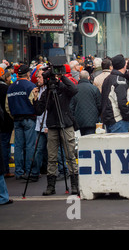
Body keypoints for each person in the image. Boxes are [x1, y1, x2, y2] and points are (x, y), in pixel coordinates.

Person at [33, 66, 79, 195]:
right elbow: (39, 111)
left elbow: (75, 89)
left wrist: (61, 76)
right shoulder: (46, 92)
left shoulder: (64, 88)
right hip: (52, 126)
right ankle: (50, 186)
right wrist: (35, 99)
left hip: (66, 124)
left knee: (70, 155)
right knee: (52, 157)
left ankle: (75, 185)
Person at [5, 64, 39, 181]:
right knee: (30, 146)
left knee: (18, 146)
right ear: (28, 74)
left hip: (16, 119)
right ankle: (29, 171)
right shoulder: (31, 86)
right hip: (29, 118)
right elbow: (34, 102)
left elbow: (7, 106)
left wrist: (13, 115)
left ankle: (19, 172)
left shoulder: (10, 87)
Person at [101, 54, 129, 133]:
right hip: (118, 120)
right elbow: (122, 102)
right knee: (121, 145)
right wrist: (127, 116)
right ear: (124, 65)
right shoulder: (120, 80)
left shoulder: (108, 79)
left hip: (109, 119)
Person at [70, 70, 101, 136]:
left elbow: (71, 106)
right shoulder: (94, 89)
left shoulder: (74, 89)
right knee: (91, 141)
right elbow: (99, 105)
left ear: (79, 77)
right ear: (88, 77)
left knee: (83, 140)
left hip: (79, 120)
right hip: (93, 120)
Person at [0, 67, 14, 178]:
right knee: (5, 145)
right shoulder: (6, 88)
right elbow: (7, 106)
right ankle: (5, 170)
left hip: (4, 120)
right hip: (5, 121)